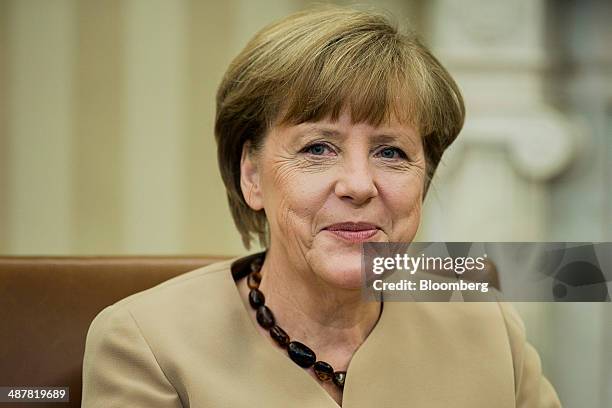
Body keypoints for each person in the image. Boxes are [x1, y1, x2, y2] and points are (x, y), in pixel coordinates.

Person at [81, 6, 561, 407]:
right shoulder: (145, 343)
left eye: (391, 152)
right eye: (317, 148)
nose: (358, 185)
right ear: (251, 175)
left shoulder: (487, 324)